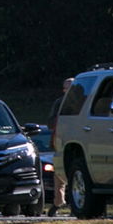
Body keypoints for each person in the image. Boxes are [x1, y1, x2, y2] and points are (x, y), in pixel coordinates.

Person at [48, 77, 72, 216]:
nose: (69, 91)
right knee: (59, 173)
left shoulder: (84, 102)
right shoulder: (59, 103)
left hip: (80, 140)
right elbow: (51, 122)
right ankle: (58, 203)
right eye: (67, 88)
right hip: (61, 140)